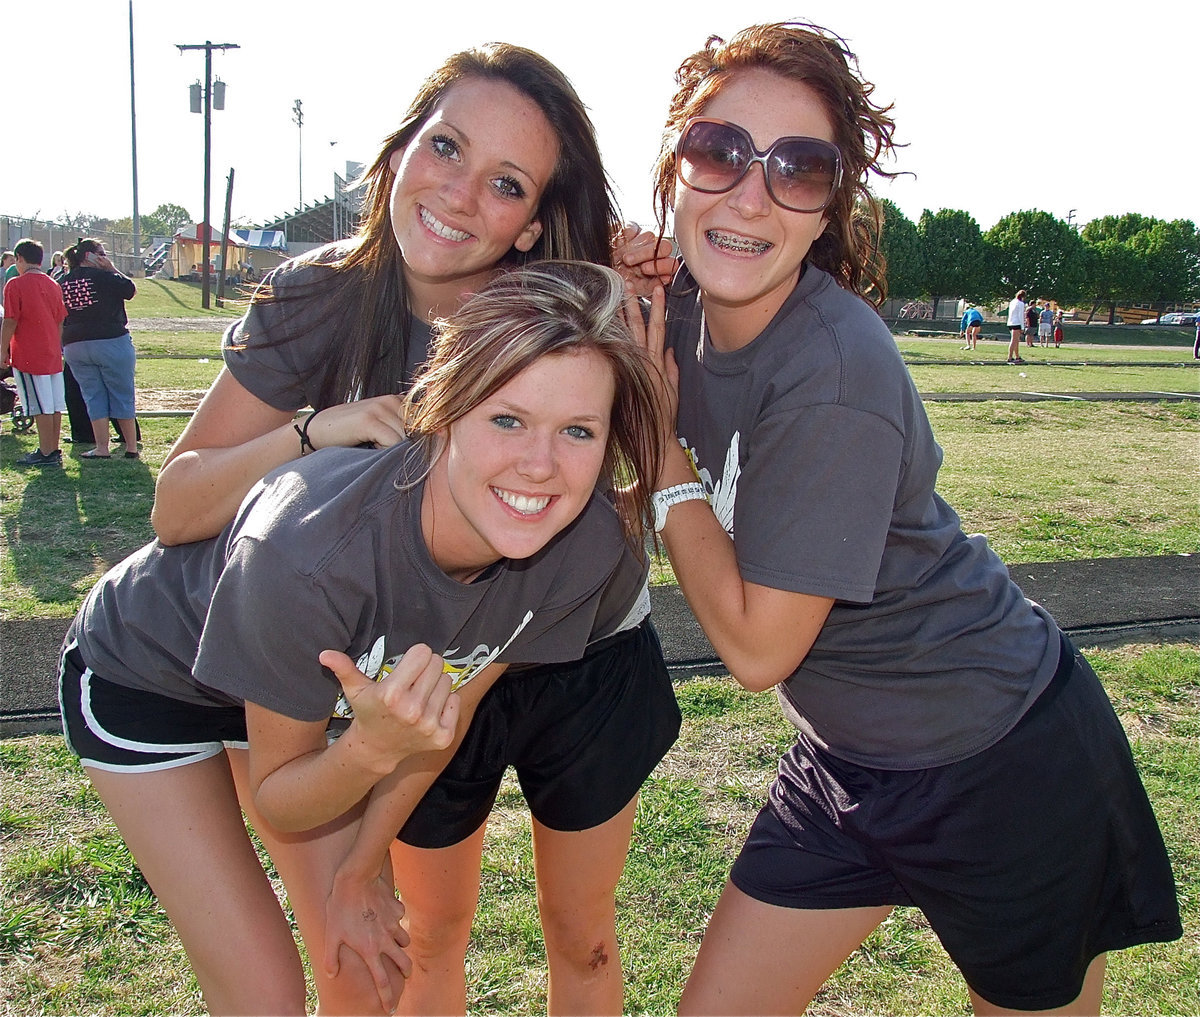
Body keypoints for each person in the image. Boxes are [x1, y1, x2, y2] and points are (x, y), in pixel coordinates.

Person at [631, 21, 1182, 1016]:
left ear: (827, 207)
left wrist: (663, 448)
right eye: (718, 151)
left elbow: (758, 649)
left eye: (797, 168)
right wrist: (606, 265)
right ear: (675, 166)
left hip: (1004, 757)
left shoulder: (835, 367)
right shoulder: (664, 310)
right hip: (844, 763)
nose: (750, 194)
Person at [150, 44, 679, 1016]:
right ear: (397, 151)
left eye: (507, 184)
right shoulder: (316, 299)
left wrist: (645, 280)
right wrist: (314, 430)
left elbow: (668, 411)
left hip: (576, 638)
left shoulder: (567, 301)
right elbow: (176, 504)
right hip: (423, 661)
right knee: (423, 932)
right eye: (446, 148)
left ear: (533, 222)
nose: (462, 196)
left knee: (587, 935)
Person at [61, 260, 666, 1016]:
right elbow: (284, 799)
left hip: (299, 686)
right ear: (443, 409)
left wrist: (358, 869)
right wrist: (367, 750)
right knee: (264, 991)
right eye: (506, 419)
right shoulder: (307, 549)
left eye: (578, 430)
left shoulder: (583, 544)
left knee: (368, 965)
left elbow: (447, 714)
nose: (539, 467)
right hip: (149, 676)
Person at [1, 238, 68, 466]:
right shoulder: (53, 284)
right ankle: (53, 448)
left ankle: (46, 452)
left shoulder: (15, 284)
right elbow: (60, 321)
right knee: (54, 405)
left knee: (40, 405)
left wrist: (2, 350)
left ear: (19, 258)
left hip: (29, 354)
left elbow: (10, 320)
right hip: (51, 351)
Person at [1006, 288, 1027, 364]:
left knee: (1016, 340)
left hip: (1010, 322)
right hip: (1016, 323)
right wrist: (1022, 327)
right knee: (1014, 340)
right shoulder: (1020, 303)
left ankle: (1017, 356)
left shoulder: (1012, 302)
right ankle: (1010, 357)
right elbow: (1020, 315)